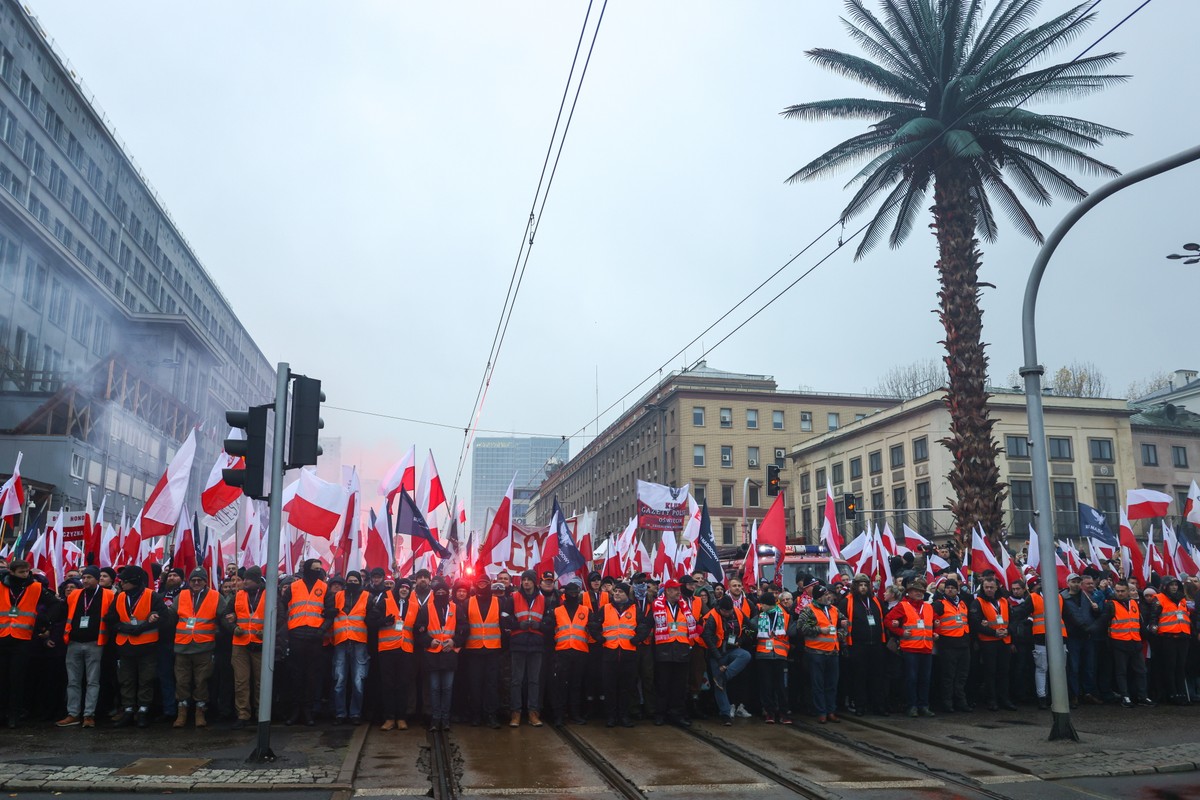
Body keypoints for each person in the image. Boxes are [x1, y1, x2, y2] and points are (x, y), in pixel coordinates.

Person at [106, 565, 166, 728]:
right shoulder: (119, 597)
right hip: (125, 646)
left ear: (135, 582)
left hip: (147, 646)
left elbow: (163, 617)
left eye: (124, 581)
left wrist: (142, 627)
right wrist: (123, 628)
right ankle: (128, 711)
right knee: (126, 681)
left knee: (146, 680)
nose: (121, 584)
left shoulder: (151, 596)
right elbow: (110, 619)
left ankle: (143, 712)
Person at [58, 566, 113, 728]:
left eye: (89, 577)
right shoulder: (75, 595)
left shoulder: (109, 595)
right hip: (74, 643)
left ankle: (89, 714)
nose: (85, 580)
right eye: (84, 577)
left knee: (93, 681)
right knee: (73, 681)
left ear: (97, 579)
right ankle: (73, 714)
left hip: (95, 643)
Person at [282, 559, 332, 726]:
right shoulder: (294, 587)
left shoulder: (325, 588)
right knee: (295, 675)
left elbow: (331, 613)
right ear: (307, 569)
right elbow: (282, 608)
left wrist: (322, 630)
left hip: (314, 638)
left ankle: (307, 711)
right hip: (296, 635)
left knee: (311, 677)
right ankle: (295, 710)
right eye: (315, 568)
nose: (318, 571)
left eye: (320, 569)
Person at [172, 568, 222, 728]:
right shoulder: (181, 596)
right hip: (182, 647)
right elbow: (171, 615)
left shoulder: (216, 596)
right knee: (182, 681)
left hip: (204, 647)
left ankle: (200, 711)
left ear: (205, 581)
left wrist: (219, 632)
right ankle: (182, 712)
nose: (196, 583)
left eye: (199, 580)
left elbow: (224, 616)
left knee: (202, 681)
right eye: (193, 580)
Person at [416, 578, 467, 731]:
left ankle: (445, 719)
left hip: (449, 653)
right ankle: (435, 718)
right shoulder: (426, 609)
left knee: (447, 688)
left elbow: (464, 628)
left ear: (448, 593)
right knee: (434, 688)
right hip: (432, 654)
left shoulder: (456, 608)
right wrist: (428, 641)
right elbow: (418, 629)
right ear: (434, 593)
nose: (441, 594)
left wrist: (454, 642)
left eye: (443, 592)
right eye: (438, 592)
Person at [367, 569, 415, 731]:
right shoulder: (385, 602)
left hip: (406, 650)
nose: (404, 590)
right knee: (387, 684)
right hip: (387, 650)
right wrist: (382, 621)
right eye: (402, 587)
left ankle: (401, 717)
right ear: (397, 588)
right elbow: (370, 620)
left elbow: (418, 626)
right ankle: (389, 718)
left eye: (407, 588)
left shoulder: (414, 606)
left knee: (403, 684)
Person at [599, 582, 649, 727]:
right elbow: (594, 624)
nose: (617, 594)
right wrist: (599, 638)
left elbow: (643, 627)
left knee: (626, 686)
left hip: (628, 653)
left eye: (620, 591)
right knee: (610, 686)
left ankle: (624, 716)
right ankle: (611, 716)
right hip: (610, 652)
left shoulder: (635, 609)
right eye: (615, 591)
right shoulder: (606, 608)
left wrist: (637, 639)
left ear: (627, 594)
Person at [884, 577, 935, 717]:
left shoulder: (929, 607)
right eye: (915, 591)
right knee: (911, 679)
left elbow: (933, 624)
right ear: (909, 592)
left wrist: (935, 633)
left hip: (926, 648)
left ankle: (923, 705)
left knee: (925, 679)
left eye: (921, 591)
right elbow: (888, 620)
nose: (919, 593)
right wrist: (901, 632)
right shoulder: (903, 606)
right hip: (910, 648)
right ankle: (912, 706)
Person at [503, 569, 548, 727]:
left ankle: (533, 713)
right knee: (517, 680)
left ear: (534, 582)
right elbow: (504, 618)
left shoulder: (542, 599)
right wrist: (518, 625)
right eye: (524, 579)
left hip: (536, 644)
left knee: (534, 681)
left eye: (529, 579)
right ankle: (515, 713)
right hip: (519, 643)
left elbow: (549, 622)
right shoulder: (513, 598)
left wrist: (540, 626)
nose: (526, 582)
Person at [0, 559, 42, 727]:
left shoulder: (36, 587)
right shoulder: (2, 586)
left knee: (17, 679)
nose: (25, 575)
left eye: (27, 572)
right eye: (21, 572)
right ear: (12, 572)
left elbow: (54, 606)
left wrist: (43, 624)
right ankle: (2, 712)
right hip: (2, 637)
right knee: (2, 679)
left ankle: (14, 714)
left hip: (22, 639)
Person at [545, 579, 592, 726]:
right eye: (570, 593)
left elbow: (593, 630)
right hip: (562, 652)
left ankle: (575, 714)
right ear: (565, 595)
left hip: (580, 652)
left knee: (576, 685)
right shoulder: (557, 611)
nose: (573, 595)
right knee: (561, 685)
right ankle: (559, 715)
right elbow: (549, 631)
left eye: (575, 593)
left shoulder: (586, 610)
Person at [1101, 580, 1154, 707]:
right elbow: (1103, 622)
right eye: (1117, 591)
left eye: (1122, 591)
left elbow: (1139, 623)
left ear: (1127, 592)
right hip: (1119, 642)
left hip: (1135, 641)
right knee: (1121, 672)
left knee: (1141, 671)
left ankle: (1143, 696)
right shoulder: (1111, 604)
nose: (1120, 593)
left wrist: (1147, 635)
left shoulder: (1134, 603)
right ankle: (1125, 696)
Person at [225, 566, 265, 730]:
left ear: (256, 581)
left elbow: (279, 617)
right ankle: (243, 714)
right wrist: (233, 628)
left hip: (260, 644)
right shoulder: (237, 596)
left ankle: (260, 714)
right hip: (240, 644)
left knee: (260, 682)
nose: (244, 581)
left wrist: (268, 632)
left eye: (248, 579)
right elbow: (225, 617)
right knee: (241, 681)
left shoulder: (268, 595)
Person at [652, 578, 696, 727]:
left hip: (682, 650)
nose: (679, 592)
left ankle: (677, 714)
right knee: (662, 685)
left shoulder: (684, 606)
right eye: (675, 589)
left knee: (679, 686)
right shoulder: (658, 605)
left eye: (679, 589)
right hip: (664, 650)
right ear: (668, 591)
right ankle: (660, 714)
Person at [841, 574, 887, 716]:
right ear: (855, 586)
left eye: (865, 585)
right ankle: (860, 705)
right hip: (857, 645)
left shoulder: (876, 601)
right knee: (859, 676)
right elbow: (839, 619)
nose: (863, 588)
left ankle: (878, 705)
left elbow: (885, 617)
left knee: (877, 676)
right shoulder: (847, 602)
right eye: (860, 585)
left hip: (876, 645)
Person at [701, 594, 750, 725]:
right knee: (720, 687)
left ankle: (724, 677)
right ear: (720, 608)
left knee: (745, 655)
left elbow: (750, 628)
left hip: (733, 649)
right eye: (725, 611)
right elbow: (708, 639)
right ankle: (725, 714)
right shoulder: (712, 616)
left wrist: (742, 639)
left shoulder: (738, 612)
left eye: (730, 611)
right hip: (716, 653)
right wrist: (719, 660)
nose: (728, 613)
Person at [970, 576, 1016, 712]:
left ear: (997, 588)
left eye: (991, 587)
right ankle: (992, 700)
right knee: (990, 672)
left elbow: (1013, 620)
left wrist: (1008, 631)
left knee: (1004, 671)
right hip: (988, 642)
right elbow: (975, 624)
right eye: (986, 587)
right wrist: (993, 633)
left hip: (1004, 641)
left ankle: (1005, 699)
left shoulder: (1004, 601)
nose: (989, 590)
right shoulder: (978, 602)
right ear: (983, 588)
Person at [330, 570, 370, 725]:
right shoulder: (337, 596)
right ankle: (340, 713)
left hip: (359, 642)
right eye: (350, 580)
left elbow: (372, 615)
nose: (352, 583)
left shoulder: (367, 596)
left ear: (360, 582)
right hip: (340, 642)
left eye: (355, 580)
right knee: (339, 679)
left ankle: (355, 714)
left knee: (358, 681)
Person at [464, 573, 503, 728]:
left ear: (490, 583)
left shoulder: (499, 602)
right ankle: (476, 715)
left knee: (492, 684)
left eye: (485, 582)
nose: (482, 585)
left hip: (493, 650)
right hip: (474, 650)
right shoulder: (468, 602)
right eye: (479, 582)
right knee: (475, 684)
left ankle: (491, 715)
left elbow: (503, 623)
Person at [798, 585, 842, 723]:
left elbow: (844, 624)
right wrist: (820, 630)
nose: (828, 597)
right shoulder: (809, 610)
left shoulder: (834, 609)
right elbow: (801, 627)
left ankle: (831, 711)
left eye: (828, 594)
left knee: (832, 684)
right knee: (818, 684)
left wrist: (841, 633)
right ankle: (821, 712)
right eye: (825, 594)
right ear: (818, 597)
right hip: (816, 652)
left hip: (833, 651)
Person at [751, 589, 794, 724]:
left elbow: (792, 631)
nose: (760, 606)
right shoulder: (759, 617)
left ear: (767, 604)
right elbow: (751, 627)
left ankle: (783, 712)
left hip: (780, 655)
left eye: (762, 604)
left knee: (781, 687)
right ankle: (769, 712)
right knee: (766, 686)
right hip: (764, 655)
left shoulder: (785, 616)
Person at [931, 577, 971, 712]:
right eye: (948, 587)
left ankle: (961, 702)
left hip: (963, 644)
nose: (950, 589)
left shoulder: (963, 603)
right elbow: (932, 617)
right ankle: (947, 703)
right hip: (948, 645)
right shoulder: (939, 604)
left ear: (957, 590)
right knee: (948, 676)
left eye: (953, 588)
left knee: (962, 676)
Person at [1154, 578, 1192, 704]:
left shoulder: (1182, 599)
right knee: (1170, 667)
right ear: (1165, 586)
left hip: (1183, 637)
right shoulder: (1159, 598)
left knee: (1181, 667)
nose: (1174, 587)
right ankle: (1172, 693)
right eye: (1171, 585)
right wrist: (1154, 629)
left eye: (1176, 585)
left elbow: (1186, 617)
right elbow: (1154, 618)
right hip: (1167, 638)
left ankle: (1181, 693)